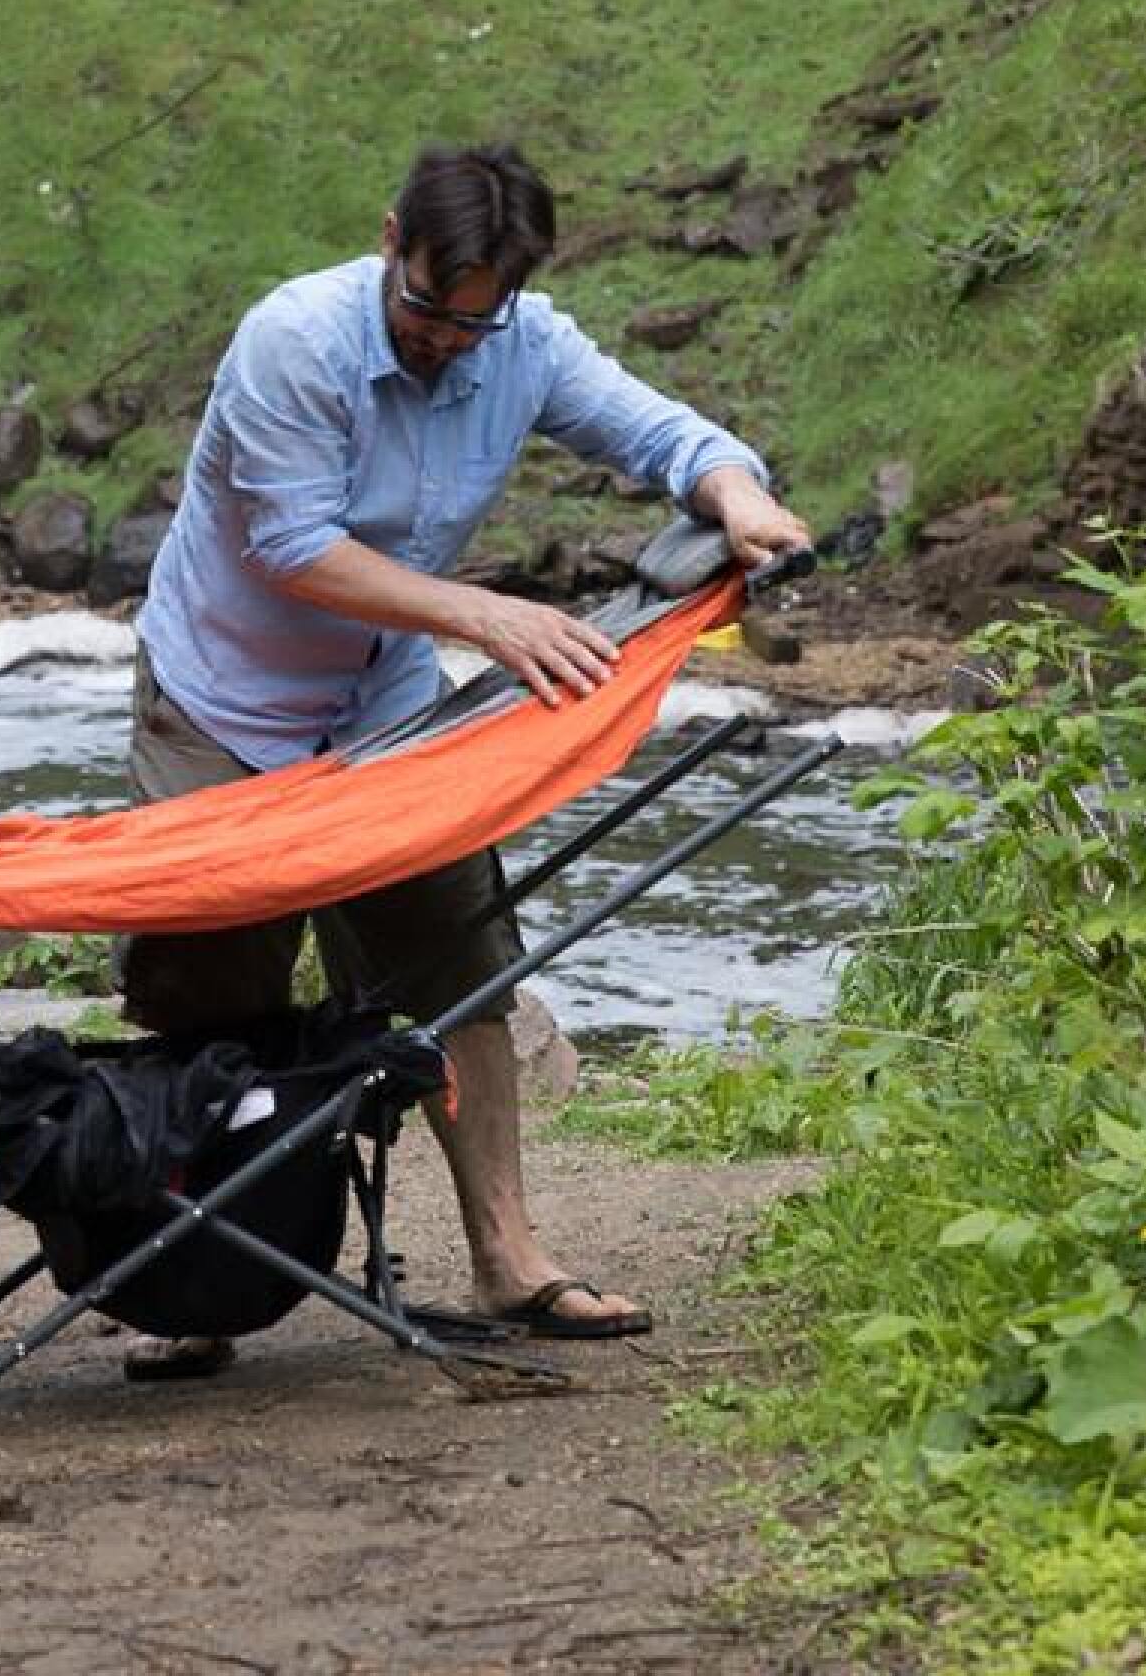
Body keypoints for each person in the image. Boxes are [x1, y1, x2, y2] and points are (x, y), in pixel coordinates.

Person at [116, 140, 811, 1381]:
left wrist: (735, 496)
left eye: (472, 321)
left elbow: (667, 436)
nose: (443, 338)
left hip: (385, 710)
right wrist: (486, 616)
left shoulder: (525, 345)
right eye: (427, 306)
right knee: (206, 986)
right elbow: (292, 548)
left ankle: (506, 1258)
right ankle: (202, 1278)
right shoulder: (296, 340)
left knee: (461, 963)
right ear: (392, 241)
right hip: (222, 700)